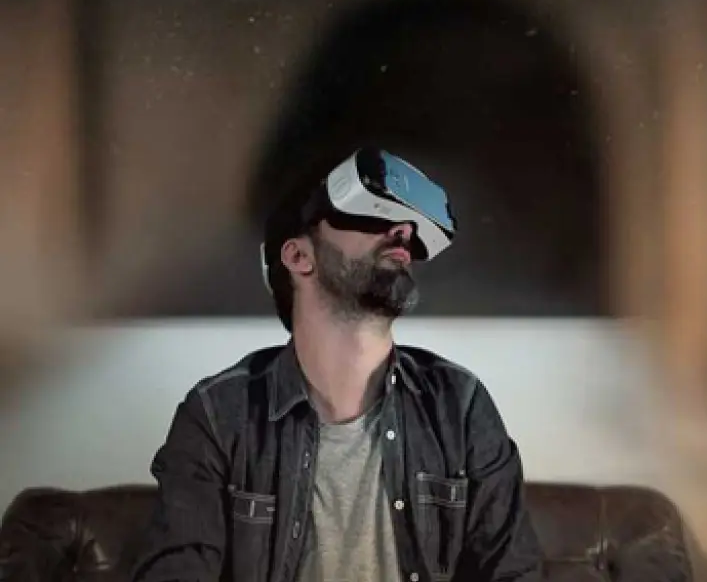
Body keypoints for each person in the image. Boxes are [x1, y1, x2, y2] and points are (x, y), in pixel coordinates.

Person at [132, 148, 543, 582]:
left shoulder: (459, 407)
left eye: (406, 223)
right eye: (371, 215)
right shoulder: (218, 417)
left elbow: (514, 573)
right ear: (298, 257)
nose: (402, 231)